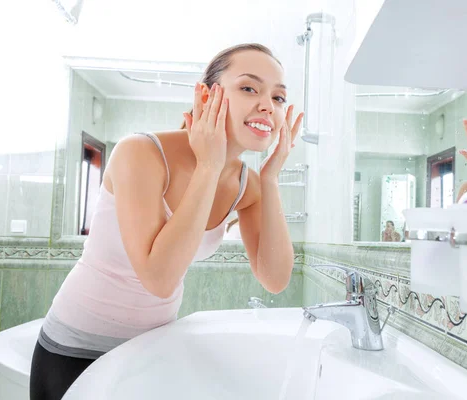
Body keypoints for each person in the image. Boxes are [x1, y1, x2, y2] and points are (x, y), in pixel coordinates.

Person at [29, 43, 304, 400]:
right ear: (206, 96)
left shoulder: (245, 186)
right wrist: (208, 165)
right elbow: (158, 278)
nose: (268, 105)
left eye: (279, 97)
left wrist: (270, 180)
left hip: (150, 349)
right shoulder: (139, 152)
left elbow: (276, 278)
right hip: (74, 350)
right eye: (249, 88)